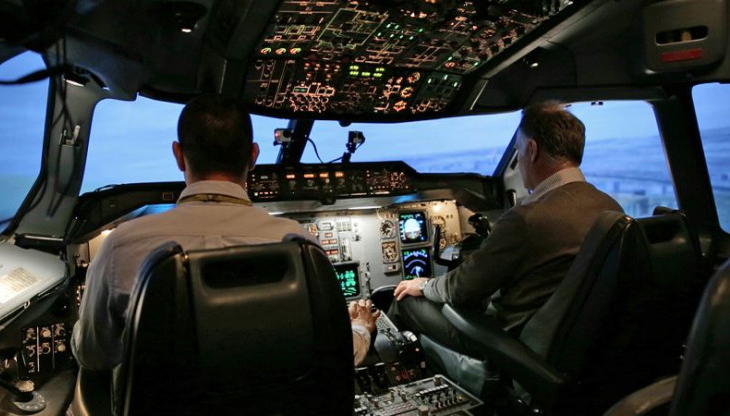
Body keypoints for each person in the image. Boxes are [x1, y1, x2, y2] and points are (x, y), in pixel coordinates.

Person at [71, 94, 375, 370]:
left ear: (178, 155)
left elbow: (94, 356)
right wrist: (361, 328)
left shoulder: (122, 245)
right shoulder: (299, 244)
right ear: (253, 156)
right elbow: (335, 354)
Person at [389, 102, 623, 352]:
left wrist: (423, 285)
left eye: (519, 150)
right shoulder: (612, 208)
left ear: (532, 149)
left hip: (512, 344)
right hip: (577, 344)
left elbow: (461, 289)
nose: (520, 161)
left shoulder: (526, 219)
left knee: (405, 300)